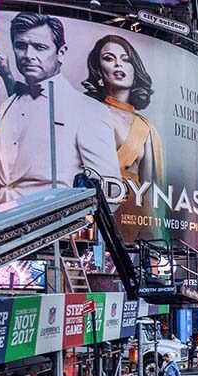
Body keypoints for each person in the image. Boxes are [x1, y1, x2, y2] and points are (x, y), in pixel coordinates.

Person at [0, 13, 120, 208]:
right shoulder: (9, 105)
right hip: (2, 223)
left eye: (40, 47)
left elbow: (109, 193)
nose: (28, 56)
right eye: (20, 46)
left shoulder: (88, 109)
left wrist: (71, 221)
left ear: (61, 52)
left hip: (56, 224)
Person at [81, 34, 166, 242]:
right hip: (92, 216)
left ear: (134, 70)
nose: (118, 64)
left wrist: (155, 239)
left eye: (125, 59)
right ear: (99, 70)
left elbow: (151, 191)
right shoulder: (84, 112)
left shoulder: (146, 128)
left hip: (134, 222)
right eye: (109, 58)